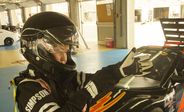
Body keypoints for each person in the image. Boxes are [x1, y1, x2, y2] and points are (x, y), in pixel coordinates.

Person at [13, 11, 152, 112]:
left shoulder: (63, 77)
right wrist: (89, 91)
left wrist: (119, 70)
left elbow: (96, 79)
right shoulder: (29, 88)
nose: (64, 58)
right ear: (35, 50)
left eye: (66, 50)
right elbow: (93, 86)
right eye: (58, 50)